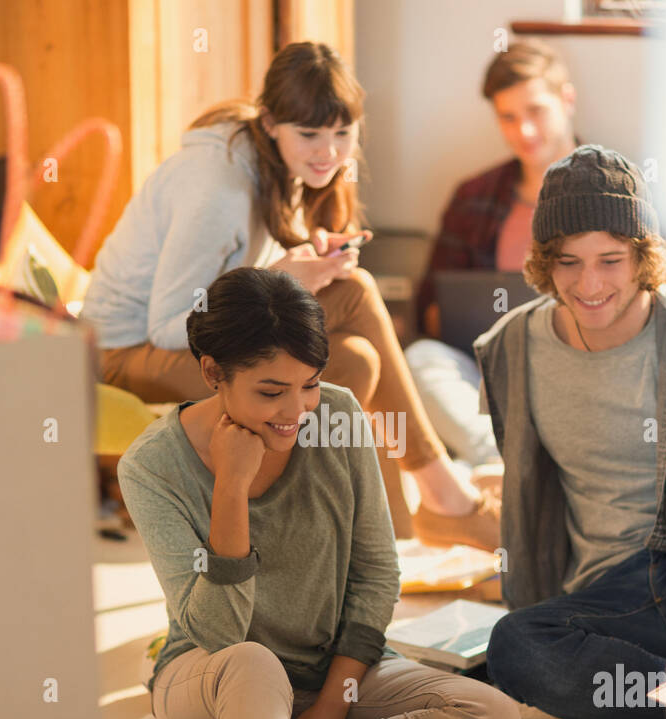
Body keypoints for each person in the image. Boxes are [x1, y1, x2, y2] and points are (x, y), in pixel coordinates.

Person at [119, 267, 522, 719]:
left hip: (330, 665)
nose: (297, 410)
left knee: (493, 718)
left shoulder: (338, 415)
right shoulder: (151, 467)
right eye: (271, 391)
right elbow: (218, 634)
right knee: (252, 662)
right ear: (212, 374)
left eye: (309, 385)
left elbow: (377, 572)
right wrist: (230, 486)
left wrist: (337, 698)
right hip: (212, 672)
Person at [86, 41, 498, 550]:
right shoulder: (218, 188)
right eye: (309, 134)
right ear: (269, 123)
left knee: (354, 358)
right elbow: (169, 325)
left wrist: (306, 256)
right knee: (355, 308)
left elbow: (238, 273)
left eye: (343, 133)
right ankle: (434, 504)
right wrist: (282, 275)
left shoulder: (272, 163)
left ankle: (377, 532)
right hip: (126, 355)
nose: (329, 151)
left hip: (198, 336)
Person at [476, 146, 666, 719]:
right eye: (568, 262)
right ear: (546, 261)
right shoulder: (511, 349)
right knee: (513, 647)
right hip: (612, 602)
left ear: (644, 256)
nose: (588, 284)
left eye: (610, 260)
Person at [406, 40, 579, 470]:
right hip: (486, 378)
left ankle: (497, 469)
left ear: (566, 99)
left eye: (536, 110)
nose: (524, 131)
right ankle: (505, 464)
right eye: (508, 117)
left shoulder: (615, 190)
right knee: (421, 360)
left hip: (575, 377)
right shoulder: (473, 198)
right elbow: (429, 310)